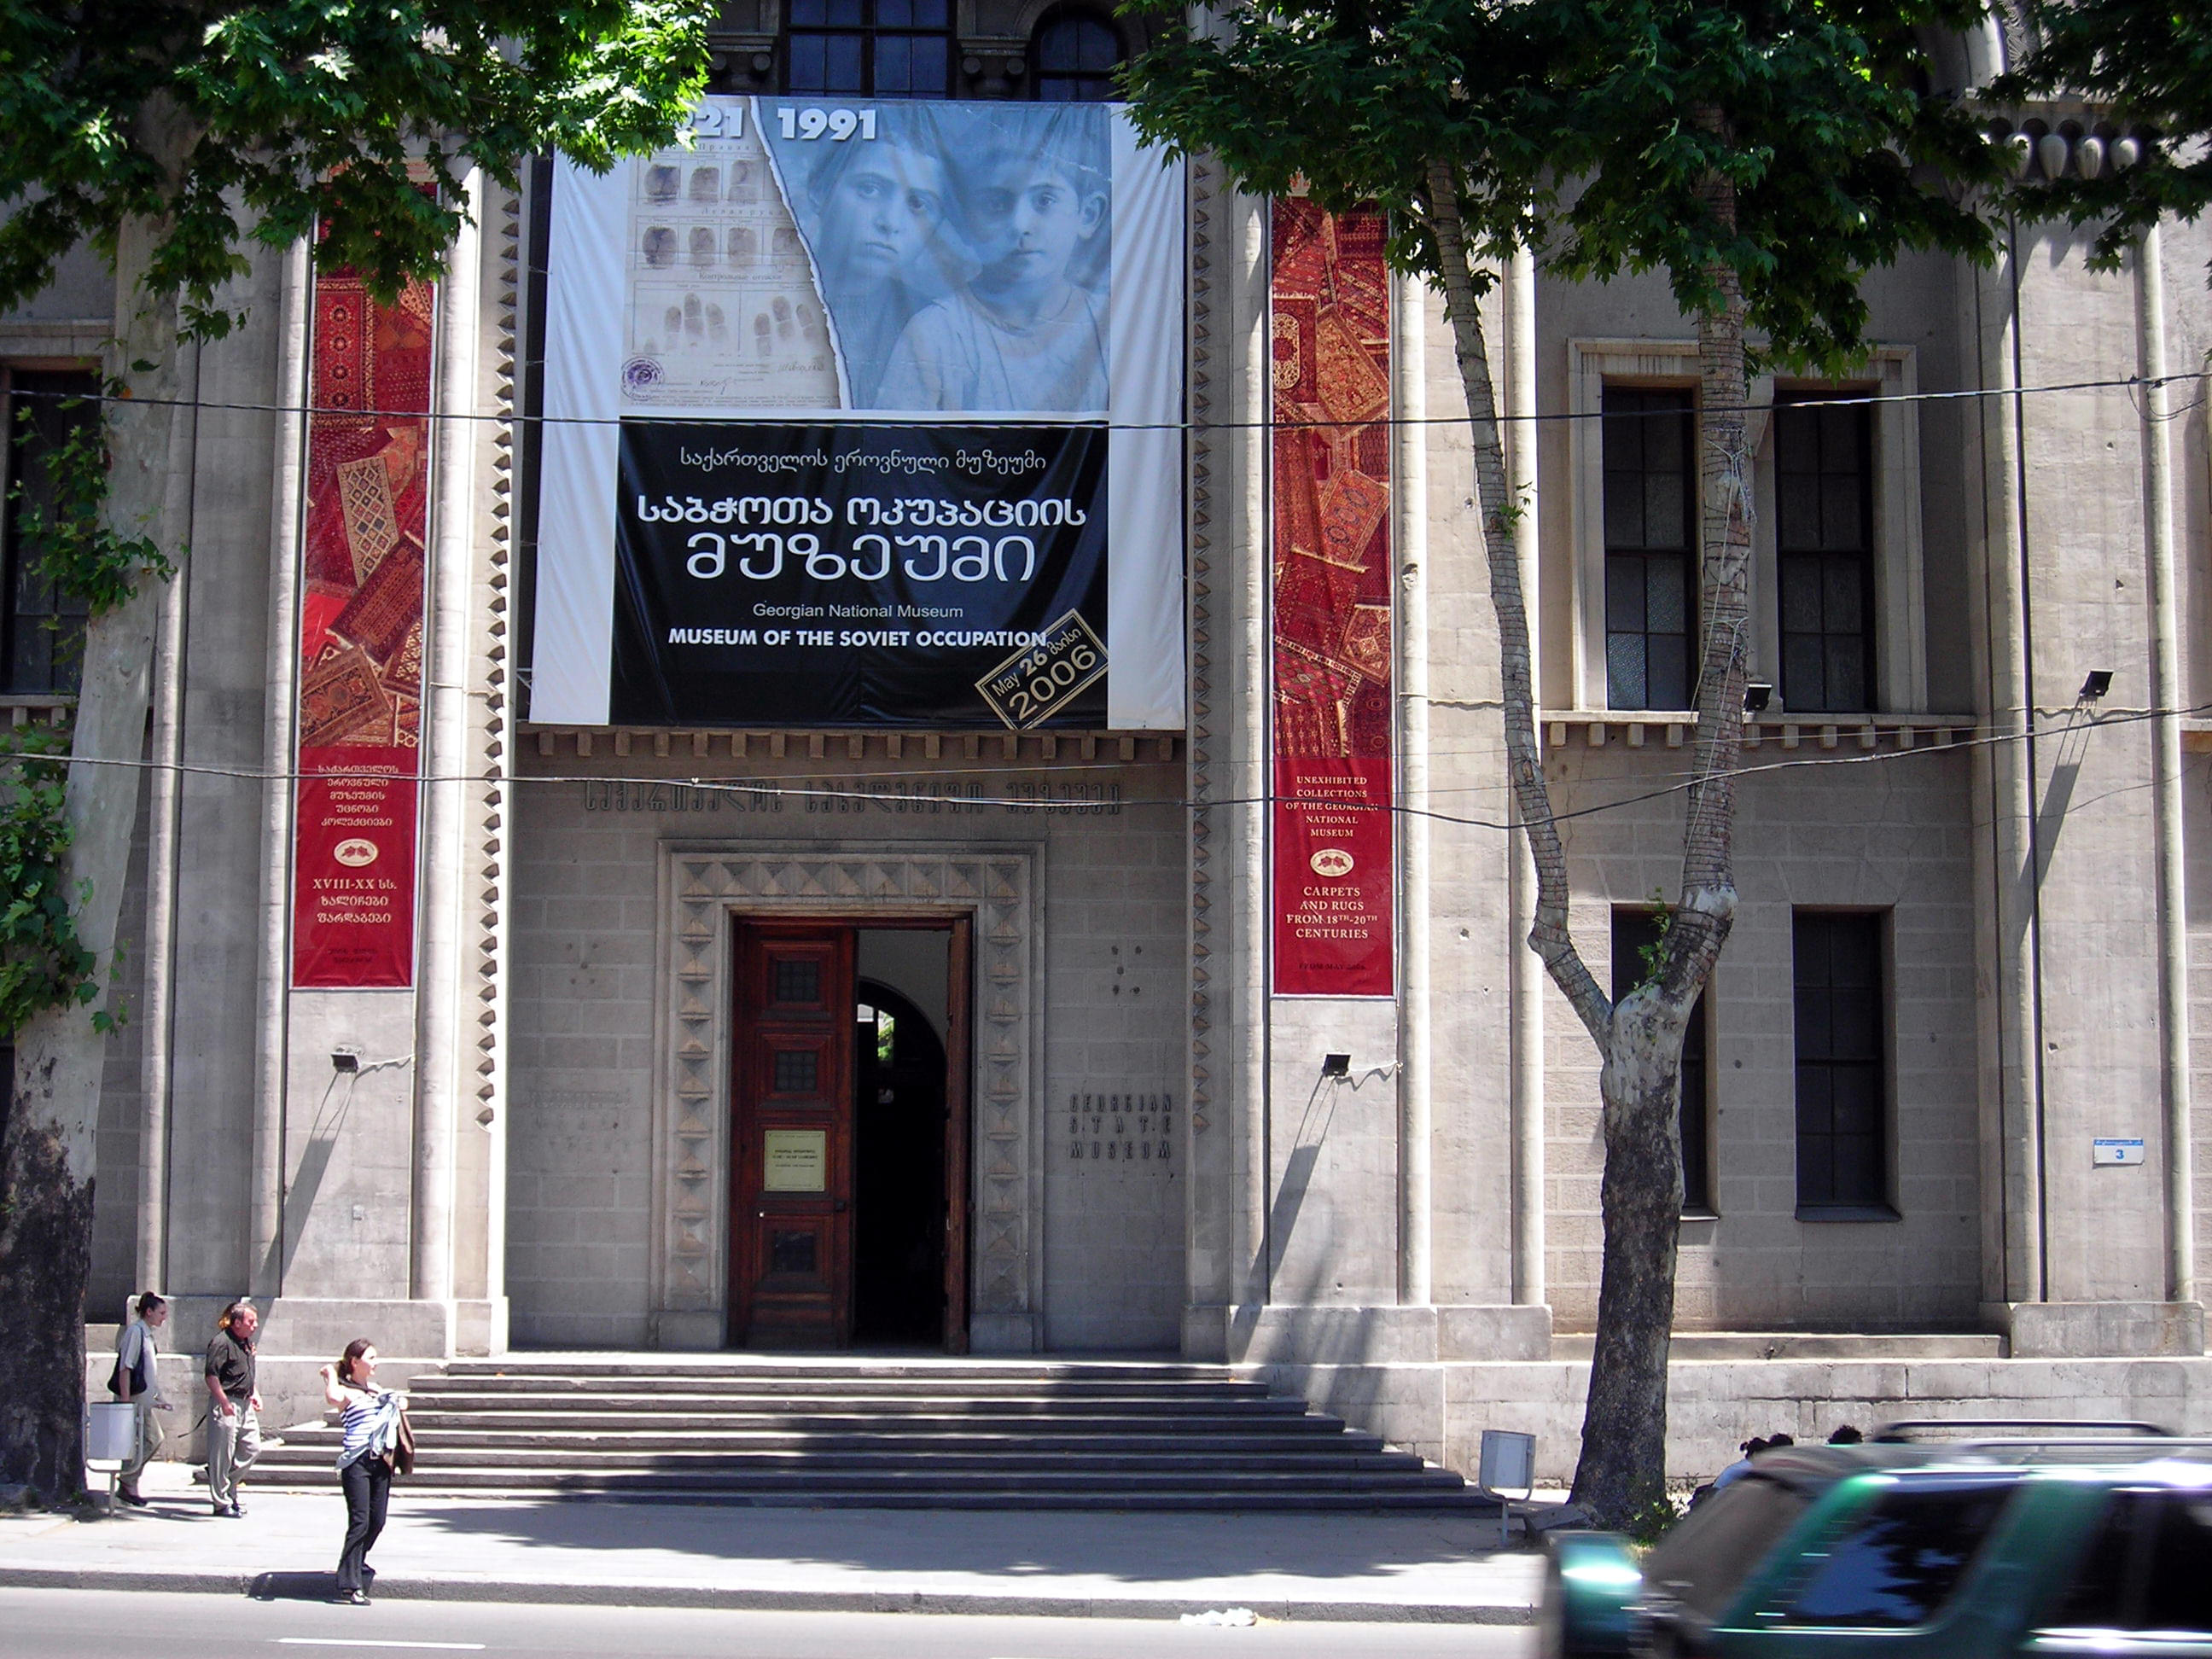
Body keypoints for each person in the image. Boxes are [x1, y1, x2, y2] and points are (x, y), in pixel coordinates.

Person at [876, 125, 1109, 414]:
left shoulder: (1110, 327)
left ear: (1087, 215)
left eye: (1044, 200)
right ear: (966, 223)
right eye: (997, 204)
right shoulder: (935, 333)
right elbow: (898, 449)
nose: (1020, 224)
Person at [800, 127, 953, 407]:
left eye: (918, 204)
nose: (890, 222)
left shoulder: (935, 327)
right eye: (870, 189)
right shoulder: (757, 302)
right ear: (820, 190)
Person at [322, 1338, 408, 1605]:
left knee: (377, 1520)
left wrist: (398, 1402)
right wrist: (331, 1375)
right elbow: (333, 1398)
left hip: (380, 1460)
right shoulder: (346, 1391)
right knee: (360, 1521)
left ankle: (357, 1560)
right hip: (356, 1462)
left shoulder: (376, 1389)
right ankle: (349, 1584)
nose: (376, 1363)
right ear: (355, 1362)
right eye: (371, 1358)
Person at [111, 1292, 172, 1508]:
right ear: (149, 1312)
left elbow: (148, 1374)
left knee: (146, 1441)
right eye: (161, 1313)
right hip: (133, 1401)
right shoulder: (135, 1332)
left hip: (143, 1401)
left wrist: (159, 1399)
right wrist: (126, 1402)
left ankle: (128, 1484)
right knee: (152, 1439)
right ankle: (127, 1481)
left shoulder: (147, 1334)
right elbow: (126, 1367)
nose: (164, 1317)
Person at [204, 1300, 262, 1518]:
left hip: (245, 1403)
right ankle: (221, 1502)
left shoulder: (246, 1343)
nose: (255, 1325)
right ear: (237, 1322)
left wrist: (255, 1393)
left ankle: (227, 1484)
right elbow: (211, 1375)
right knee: (222, 1452)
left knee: (252, 1447)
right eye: (251, 1321)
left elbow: (247, 1372)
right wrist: (223, 1401)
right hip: (227, 1402)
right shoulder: (221, 1342)